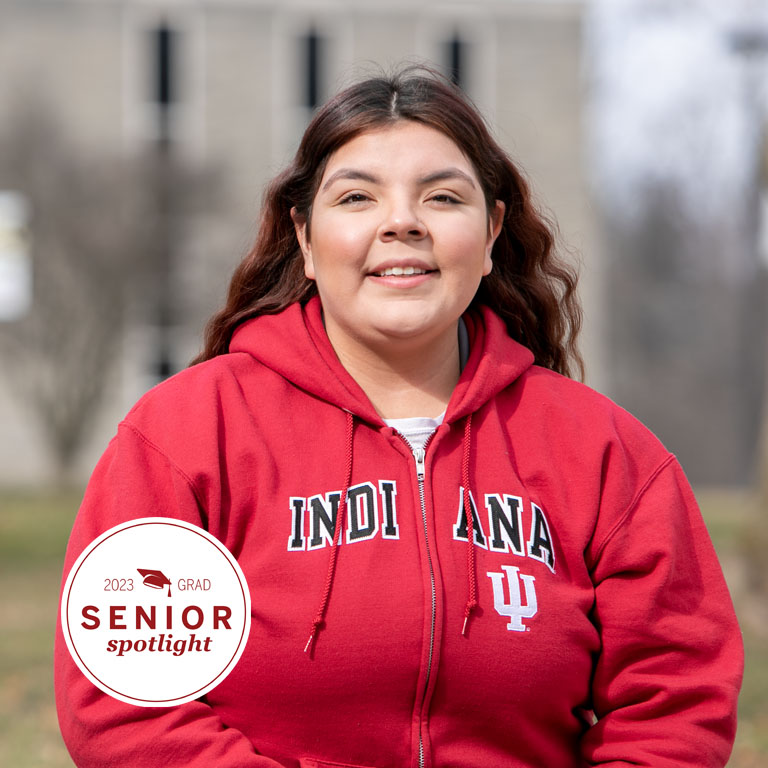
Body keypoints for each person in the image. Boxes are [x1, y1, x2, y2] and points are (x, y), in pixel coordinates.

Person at [55, 66, 743, 767]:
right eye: (356, 197)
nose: (402, 222)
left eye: (443, 197)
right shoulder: (185, 435)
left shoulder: (606, 454)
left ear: (491, 230)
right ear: (305, 236)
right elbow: (125, 705)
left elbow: (674, 702)